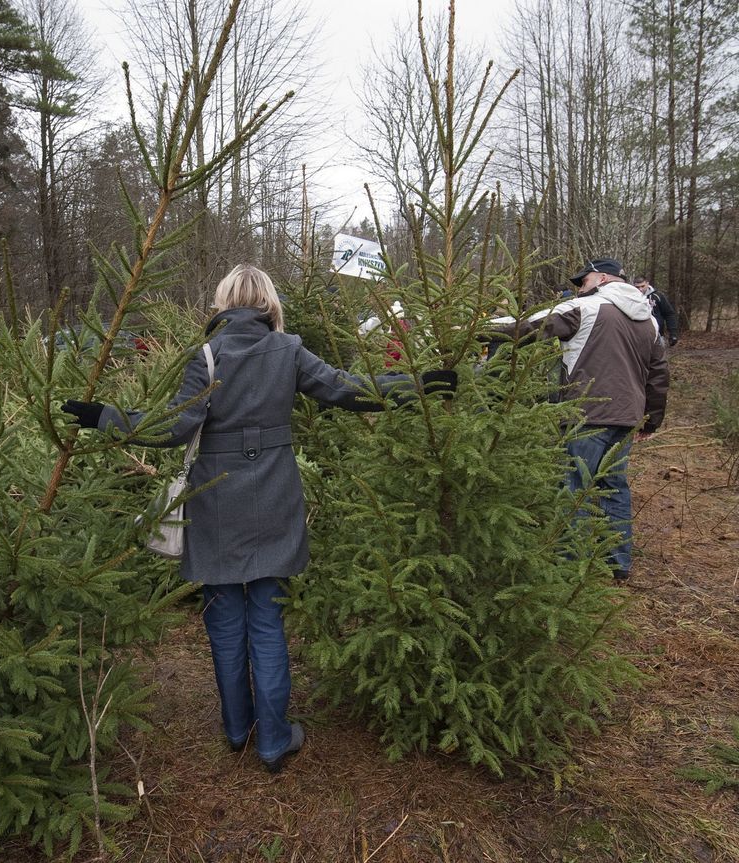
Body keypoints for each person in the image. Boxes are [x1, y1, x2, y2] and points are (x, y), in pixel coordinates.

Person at [61, 264, 456, 772]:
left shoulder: (205, 355)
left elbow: (174, 429)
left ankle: (234, 728)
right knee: (267, 620)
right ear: (269, 303)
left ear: (223, 303)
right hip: (274, 497)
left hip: (214, 500)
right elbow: (349, 390)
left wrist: (103, 417)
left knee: (224, 618)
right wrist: (420, 385)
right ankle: (273, 742)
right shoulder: (288, 350)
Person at [491, 258, 669, 580]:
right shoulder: (650, 321)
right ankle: (618, 565)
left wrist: (475, 332)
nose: (579, 287)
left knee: (573, 487)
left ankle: (568, 566)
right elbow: (658, 374)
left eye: (583, 281)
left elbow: (529, 325)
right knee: (614, 488)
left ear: (601, 278)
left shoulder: (586, 308)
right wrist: (651, 420)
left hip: (586, 414)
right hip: (627, 418)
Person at [633, 275, 678, 347]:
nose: (640, 289)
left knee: (658, 357)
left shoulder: (658, 296)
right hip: (637, 335)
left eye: (642, 286)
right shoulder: (631, 298)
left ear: (647, 284)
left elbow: (669, 314)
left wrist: (673, 333)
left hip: (658, 334)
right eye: (637, 287)